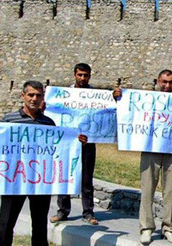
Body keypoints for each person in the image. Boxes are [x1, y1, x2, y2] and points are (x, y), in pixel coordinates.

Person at [0, 81, 87, 246]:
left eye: (38, 95)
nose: (34, 99)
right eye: (31, 95)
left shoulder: (49, 124)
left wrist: (76, 143)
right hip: (14, 180)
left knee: (39, 224)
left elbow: (58, 150)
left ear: (43, 98)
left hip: (39, 182)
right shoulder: (9, 120)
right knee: (6, 222)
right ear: (23, 96)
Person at [114, 69, 172, 245]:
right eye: (164, 82)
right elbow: (128, 114)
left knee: (169, 190)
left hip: (171, 149)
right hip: (150, 148)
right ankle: (146, 228)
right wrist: (119, 98)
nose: (167, 85)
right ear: (158, 82)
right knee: (147, 188)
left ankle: (168, 228)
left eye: (171, 82)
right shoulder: (146, 100)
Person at [50, 63, 99, 225]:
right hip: (67, 143)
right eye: (80, 75)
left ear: (89, 76)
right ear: (74, 75)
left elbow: (108, 111)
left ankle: (88, 213)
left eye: (85, 75)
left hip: (87, 143)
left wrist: (115, 97)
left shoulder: (97, 97)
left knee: (86, 179)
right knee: (64, 176)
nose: (82, 78)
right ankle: (63, 211)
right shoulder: (64, 95)